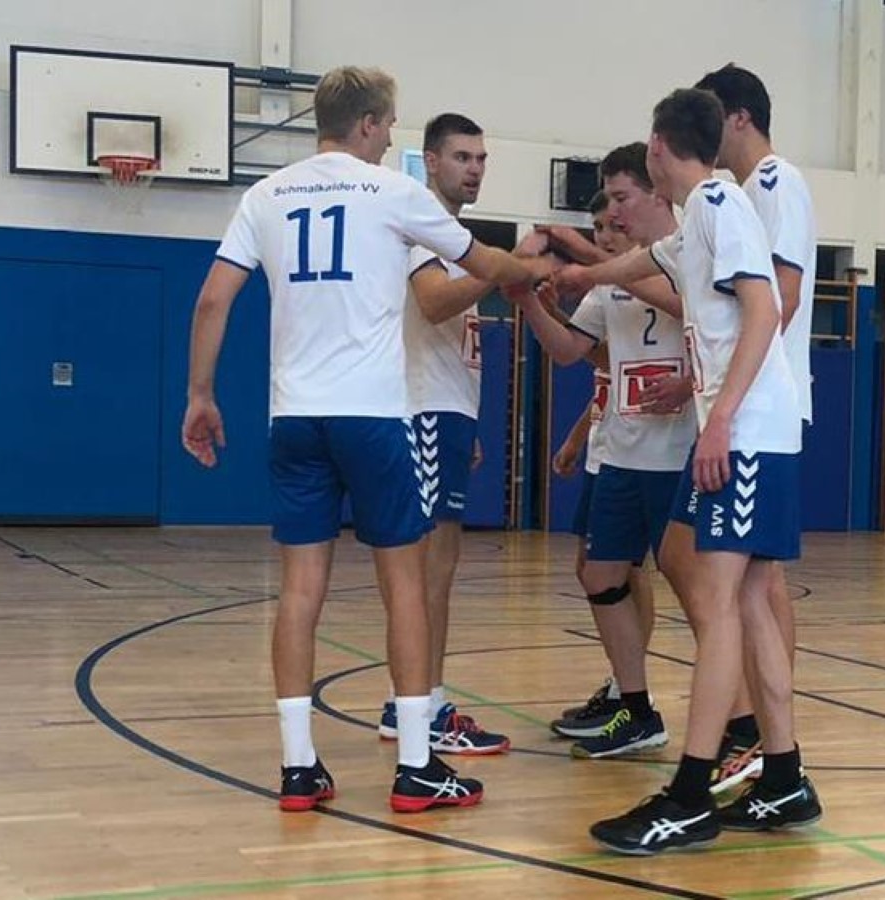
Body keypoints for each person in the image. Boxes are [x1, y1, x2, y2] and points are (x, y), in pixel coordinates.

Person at [181, 66, 542, 814]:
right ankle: (416, 766)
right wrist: (529, 268)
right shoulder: (392, 192)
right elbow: (480, 264)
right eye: (388, 125)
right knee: (403, 584)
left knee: (300, 591)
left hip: (294, 417)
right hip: (375, 418)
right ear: (373, 124)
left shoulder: (265, 195)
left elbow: (215, 296)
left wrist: (201, 395)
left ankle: (298, 768)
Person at [553, 87, 819, 853]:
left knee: (723, 601)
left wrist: (722, 419)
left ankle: (691, 793)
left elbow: (766, 308)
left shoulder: (721, 205)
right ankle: (784, 777)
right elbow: (648, 259)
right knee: (752, 602)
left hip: (748, 435)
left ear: (660, 148)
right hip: (754, 434)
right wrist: (583, 273)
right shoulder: (704, 213)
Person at [514, 143, 696, 759]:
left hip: (682, 453)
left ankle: (738, 723)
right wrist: (528, 303)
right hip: (622, 451)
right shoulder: (609, 281)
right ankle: (634, 704)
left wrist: (692, 381)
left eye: (621, 200)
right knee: (599, 572)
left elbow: (705, 317)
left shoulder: (686, 252)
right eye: (609, 204)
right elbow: (570, 351)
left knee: (697, 590)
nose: (614, 216)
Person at [691, 63, 819, 794]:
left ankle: (771, 749)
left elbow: (782, 297)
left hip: (763, 408)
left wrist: (738, 392)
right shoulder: (734, 196)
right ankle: (773, 750)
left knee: (757, 589)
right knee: (755, 587)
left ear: (736, 117)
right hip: (746, 401)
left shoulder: (774, 184)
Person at [376, 112, 509, 754]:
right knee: (431, 568)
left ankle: (414, 701)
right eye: (462, 157)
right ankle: (418, 710)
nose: (474, 168)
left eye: (481, 158)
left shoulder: (451, 232)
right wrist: (502, 270)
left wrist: (468, 420)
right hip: (425, 409)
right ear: (430, 160)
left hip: (447, 410)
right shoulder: (424, 223)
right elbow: (432, 301)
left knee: (440, 567)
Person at [549, 192, 655, 740]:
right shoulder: (604, 289)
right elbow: (595, 366)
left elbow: (609, 363)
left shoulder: (664, 268)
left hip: (661, 446)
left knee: (638, 573)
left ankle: (633, 693)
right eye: (596, 224)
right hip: (612, 444)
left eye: (613, 219)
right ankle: (627, 689)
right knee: (597, 569)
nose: (606, 230)